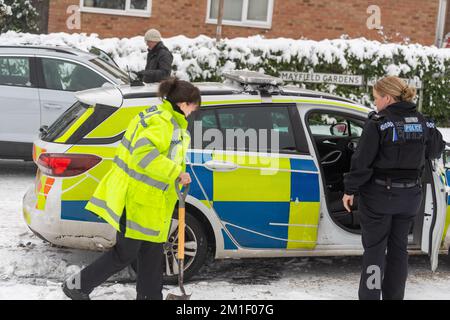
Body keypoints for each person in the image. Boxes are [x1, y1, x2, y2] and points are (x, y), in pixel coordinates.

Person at [62, 78, 201, 300]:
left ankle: (149, 296)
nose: (194, 111)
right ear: (183, 103)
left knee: (152, 252)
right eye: (194, 105)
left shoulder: (160, 116)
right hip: (139, 200)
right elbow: (143, 156)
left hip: (151, 201)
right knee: (124, 254)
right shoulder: (162, 124)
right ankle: (76, 286)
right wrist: (176, 172)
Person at [342, 76, 445, 300]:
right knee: (399, 251)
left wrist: (349, 190)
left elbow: (361, 163)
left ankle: (370, 297)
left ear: (388, 98)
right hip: (409, 198)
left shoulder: (379, 123)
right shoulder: (423, 121)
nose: (375, 103)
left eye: (376, 99)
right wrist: (425, 130)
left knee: (375, 251)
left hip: (379, 197)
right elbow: (436, 149)